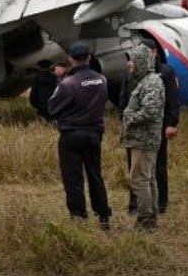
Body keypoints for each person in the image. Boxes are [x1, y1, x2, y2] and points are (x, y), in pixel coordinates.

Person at [47, 41, 112, 230]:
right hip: (94, 134)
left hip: (72, 135)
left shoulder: (68, 83)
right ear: (89, 58)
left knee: (73, 178)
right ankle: (103, 217)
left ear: (70, 59)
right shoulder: (102, 80)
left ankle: (79, 219)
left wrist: (60, 80)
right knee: (95, 176)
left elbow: (52, 107)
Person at [121, 37, 180, 214]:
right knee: (136, 168)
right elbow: (124, 98)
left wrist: (171, 123)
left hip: (152, 129)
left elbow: (172, 100)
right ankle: (137, 204)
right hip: (135, 131)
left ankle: (158, 205)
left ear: (154, 52)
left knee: (156, 168)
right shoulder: (133, 75)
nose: (131, 62)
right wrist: (123, 119)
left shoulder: (163, 74)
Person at [120, 44, 166, 231]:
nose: (129, 64)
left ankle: (146, 220)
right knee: (148, 178)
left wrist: (129, 117)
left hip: (144, 140)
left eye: (131, 60)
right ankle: (151, 216)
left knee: (139, 179)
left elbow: (150, 111)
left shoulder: (152, 82)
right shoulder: (144, 81)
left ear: (140, 60)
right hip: (141, 139)